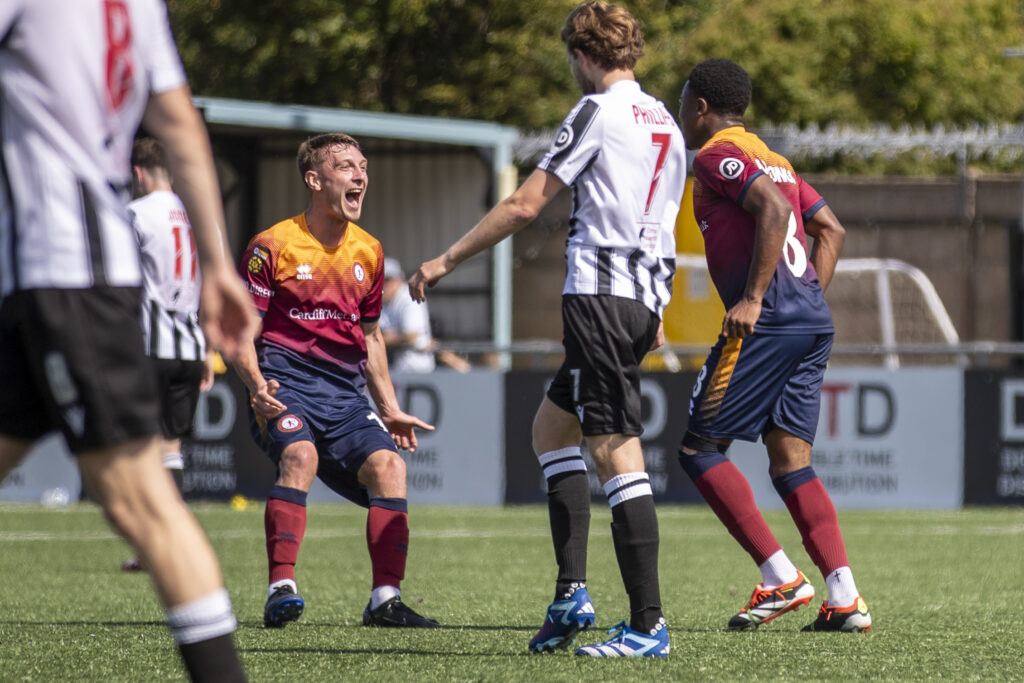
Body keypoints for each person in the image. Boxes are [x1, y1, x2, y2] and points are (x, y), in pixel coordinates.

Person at [410, 0, 684, 657]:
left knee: (613, 444)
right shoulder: (667, 121)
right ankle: (572, 591)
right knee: (551, 429)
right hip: (643, 299)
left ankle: (648, 625)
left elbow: (526, 201)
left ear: (582, 56)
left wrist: (445, 259)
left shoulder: (596, 109)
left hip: (600, 296)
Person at [0, 2, 256, 681]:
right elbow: (179, 123)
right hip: (56, 277)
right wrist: (218, 264)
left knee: (143, 501)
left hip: (64, 275)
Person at [675, 58, 870, 633]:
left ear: (702, 108)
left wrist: (759, 297)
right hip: (809, 320)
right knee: (790, 462)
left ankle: (781, 576)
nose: (681, 113)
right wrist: (805, 295)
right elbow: (830, 228)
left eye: (684, 102)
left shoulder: (714, 155)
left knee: (698, 449)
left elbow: (775, 211)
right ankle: (845, 598)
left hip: (769, 322)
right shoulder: (778, 160)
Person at [232, 133, 440, 630]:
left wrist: (388, 407)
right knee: (300, 456)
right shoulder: (271, 246)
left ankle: (384, 601)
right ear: (314, 179)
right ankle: (281, 588)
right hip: (284, 386)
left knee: (390, 467)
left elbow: (371, 339)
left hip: (344, 397)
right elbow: (240, 331)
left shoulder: (369, 252)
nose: (360, 175)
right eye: (346, 166)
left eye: (362, 166)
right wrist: (255, 384)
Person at [120, 137, 216, 572]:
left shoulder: (133, 214)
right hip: (192, 345)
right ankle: (166, 544)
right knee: (170, 445)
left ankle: (153, 543)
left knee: (136, 446)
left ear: (138, 173)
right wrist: (210, 349)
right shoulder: (201, 218)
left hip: (148, 344)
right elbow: (215, 288)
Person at [380, 257, 470, 373]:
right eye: (379, 280)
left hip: (416, 368)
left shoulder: (408, 297)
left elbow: (411, 336)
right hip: (394, 368)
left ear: (399, 280)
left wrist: (381, 339)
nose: (383, 284)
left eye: (387, 280)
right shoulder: (379, 301)